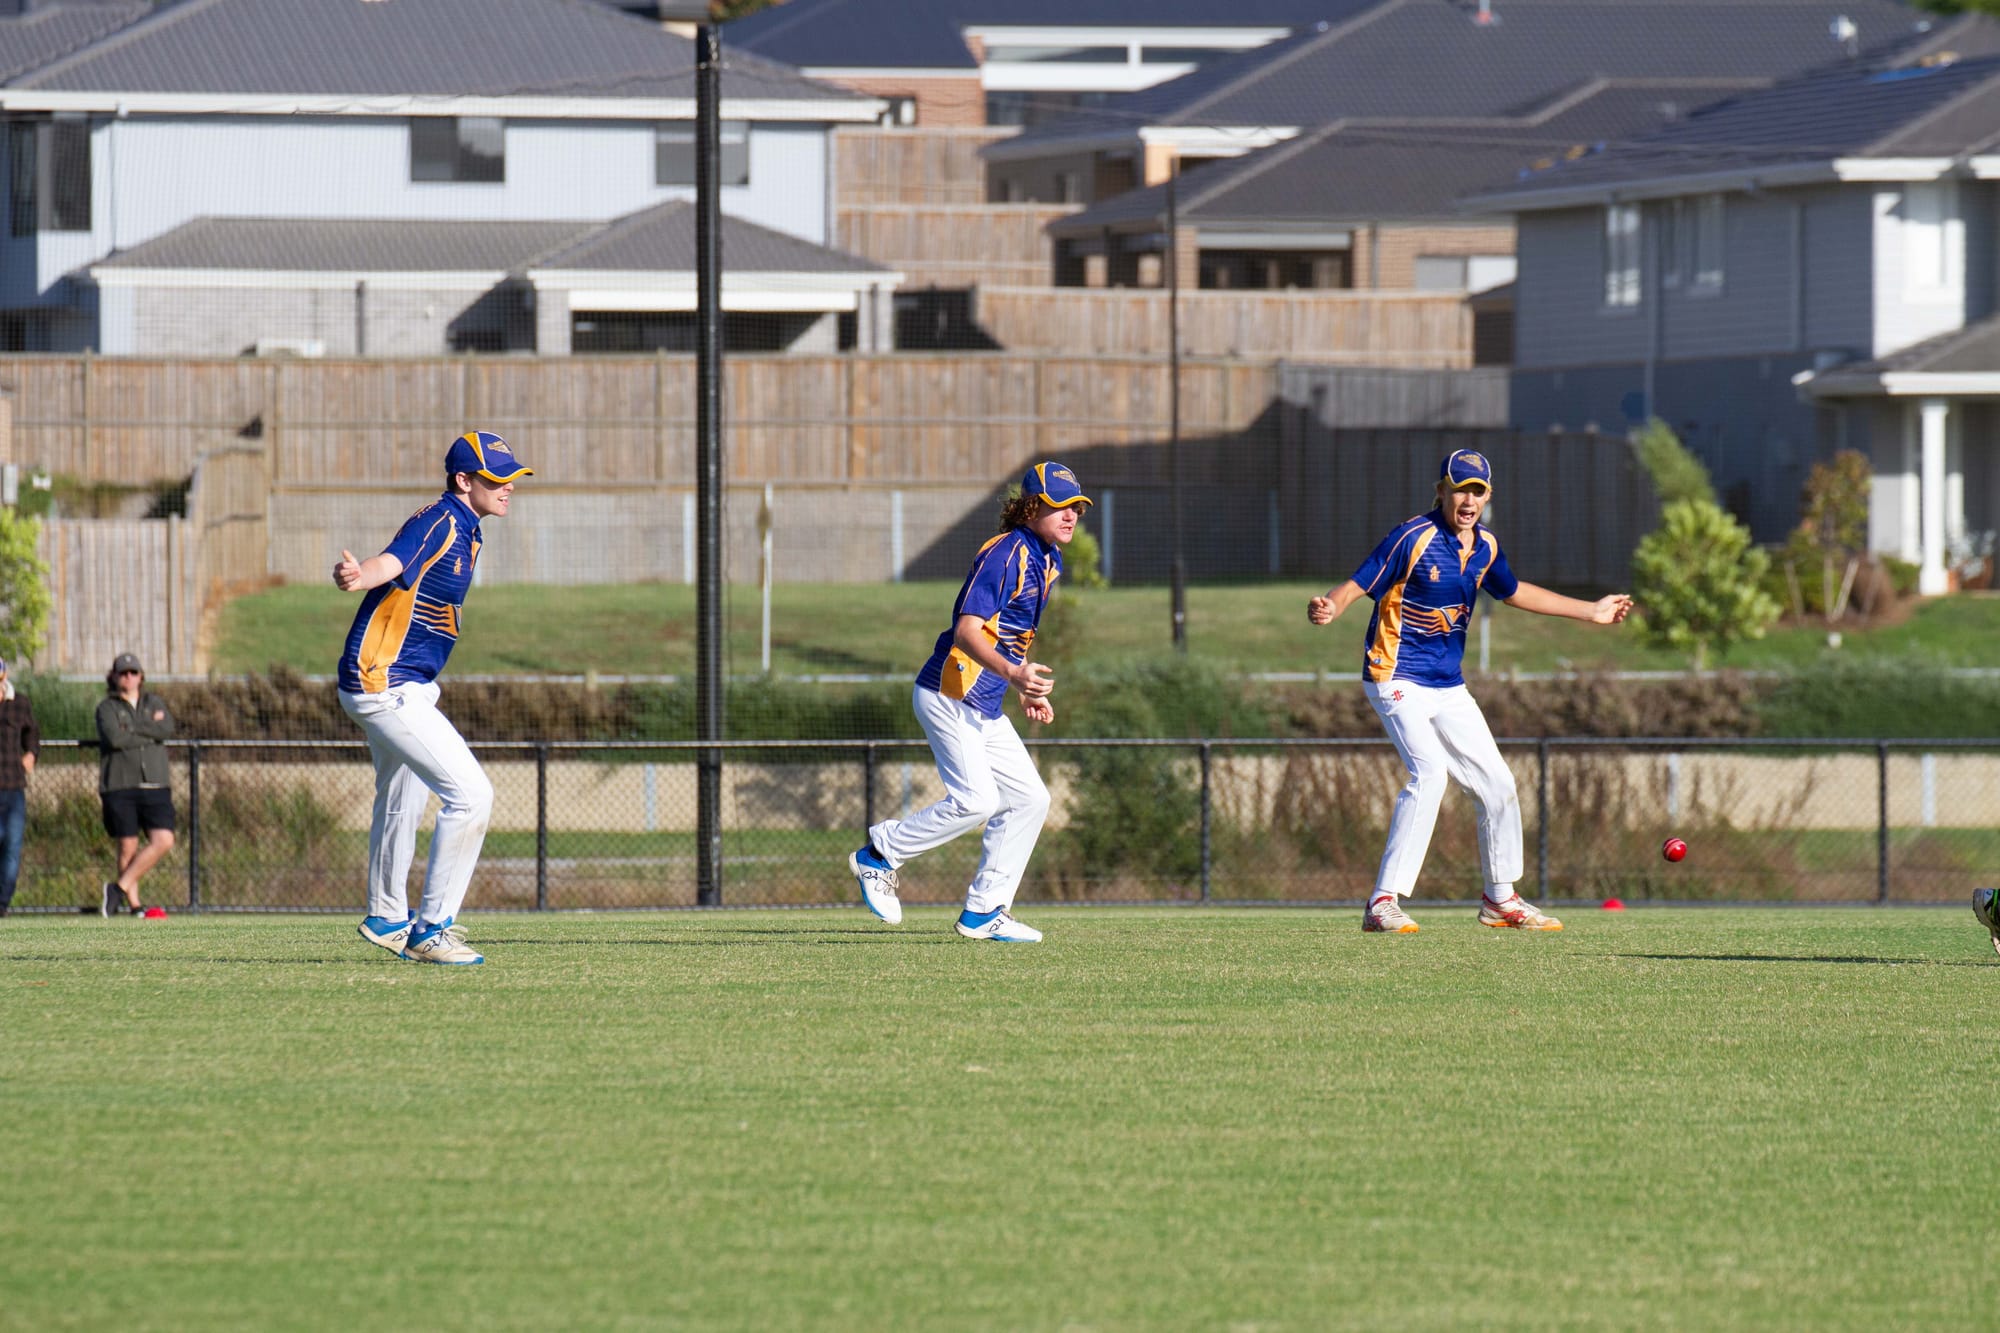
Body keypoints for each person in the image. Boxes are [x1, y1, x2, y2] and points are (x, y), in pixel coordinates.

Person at [1308, 449, 1633, 934]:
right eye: (1460, 490)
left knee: (1497, 783)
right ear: (1441, 491)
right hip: (1395, 675)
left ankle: (1500, 899)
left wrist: (1591, 611)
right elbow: (1358, 582)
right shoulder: (1413, 537)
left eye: (1477, 492)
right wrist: (1332, 606)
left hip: (1447, 685)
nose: (1468, 500)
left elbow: (1514, 590)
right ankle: (1382, 902)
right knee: (1429, 774)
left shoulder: (1485, 547)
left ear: (1488, 497)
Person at [848, 462, 1090, 943]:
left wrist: (1020, 684)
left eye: (1077, 509)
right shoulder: (1006, 553)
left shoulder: (1048, 559)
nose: (1071, 517)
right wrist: (1014, 673)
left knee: (1030, 799)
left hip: (983, 704)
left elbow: (1009, 633)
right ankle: (879, 854)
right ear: (1031, 507)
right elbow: (967, 631)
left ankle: (984, 911)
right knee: (977, 801)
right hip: (948, 694)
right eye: (1060, 506)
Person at [333, 429, 531, 966]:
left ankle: (386, 916)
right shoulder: (441, 519)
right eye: (497, 478)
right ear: (464, 480)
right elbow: (392, 561)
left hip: (406, 684)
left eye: (512, 477)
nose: (509, 486)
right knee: (471, 796)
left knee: (404, 797)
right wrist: (360, 575)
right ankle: (432, 929)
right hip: (384, 683)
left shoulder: (469, 528)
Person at [95, 652, 176, 916]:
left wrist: (131, 729)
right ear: (114, 677)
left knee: (164, 840)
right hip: (120, 785)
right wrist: (148, 730)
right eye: (123, 673)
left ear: (141, 677)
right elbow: (115, 739)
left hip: (155, 783)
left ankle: (117, 889)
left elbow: (166, 729)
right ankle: (135, 906)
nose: (128, 677)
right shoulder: (107, 708)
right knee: (127, 846)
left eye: (133, 672)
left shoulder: (154, 702)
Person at [0, 656, 39, 917]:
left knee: (11, 848)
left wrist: (31, 754)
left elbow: (32, 732)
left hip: (13, 787)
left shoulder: (19, 703)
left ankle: (2, 903)